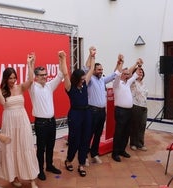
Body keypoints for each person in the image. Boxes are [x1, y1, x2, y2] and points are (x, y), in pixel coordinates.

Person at [0, 53, 39, 188]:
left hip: (22, 121)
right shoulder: (2, 90)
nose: (13, 80)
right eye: (10, 78)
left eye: (14, 77)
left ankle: (32, 180)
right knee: (12, 149)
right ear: (5, 79)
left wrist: (29, 64)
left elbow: (31, 80)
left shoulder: (20, 88)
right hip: (9, 123)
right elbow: (2, 102)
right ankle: (14, 177)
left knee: (26, 147)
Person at [29, 51, 67, 181]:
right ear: (36, 77)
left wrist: (61, 59)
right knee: (41, 148)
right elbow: (29, 78)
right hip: (40, 123)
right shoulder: (32, 87)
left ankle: (49, 165)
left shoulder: (49, 86)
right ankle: (40, 170)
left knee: (51, 146)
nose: (45, 77)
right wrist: (31, 63)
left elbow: (60, 74)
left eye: (45, 74)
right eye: (41, 75)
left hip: (52, 122)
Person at [85, 49, 122, 165]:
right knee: (88, 134)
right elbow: (87, 69)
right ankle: (84, 155)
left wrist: (119, 63)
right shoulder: (90, 80)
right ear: (94, 70)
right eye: (99, 69)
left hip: (101, 112)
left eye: (102, 69)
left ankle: (94, 154)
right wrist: (91, 56)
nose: (101, 71)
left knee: (98, 134)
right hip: (92, 111)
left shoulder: (102, 80)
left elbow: (115, 74)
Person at [62, 47, 95, 177]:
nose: (83, 80)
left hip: (86, 114)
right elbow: (65, 74)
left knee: (85, 140)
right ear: (76, 78)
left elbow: (91, 70)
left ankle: (81, 164)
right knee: (74, 140)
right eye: (81, 78)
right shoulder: (70, 87)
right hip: (75, 114)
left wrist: (92, 56)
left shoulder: (85, 84)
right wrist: (63, 59)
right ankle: (69, 160)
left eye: (83, 78)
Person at [111, 55, 141, 162]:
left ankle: (122, 150)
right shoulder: (117, 84)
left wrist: (138, 64)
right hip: (120, 111)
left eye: (127, 73)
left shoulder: (127, 83)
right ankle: (115, 153)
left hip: (129, 111)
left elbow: (135, 74)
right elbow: (118, 74)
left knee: (127, 132)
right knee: (119, 132)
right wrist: (121, 63)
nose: (127, 74)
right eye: (125, 73)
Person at [129, 60, 148, 151]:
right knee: (135, 125)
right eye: (139, 72)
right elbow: (131, 74)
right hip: (135, 106)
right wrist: (138, 66)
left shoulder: (144, 83)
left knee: (142, 125)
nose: (140, 73)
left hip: (144, 107)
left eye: (142, 72)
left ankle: (140, 143)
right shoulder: (133, 82)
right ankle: (133, 143)